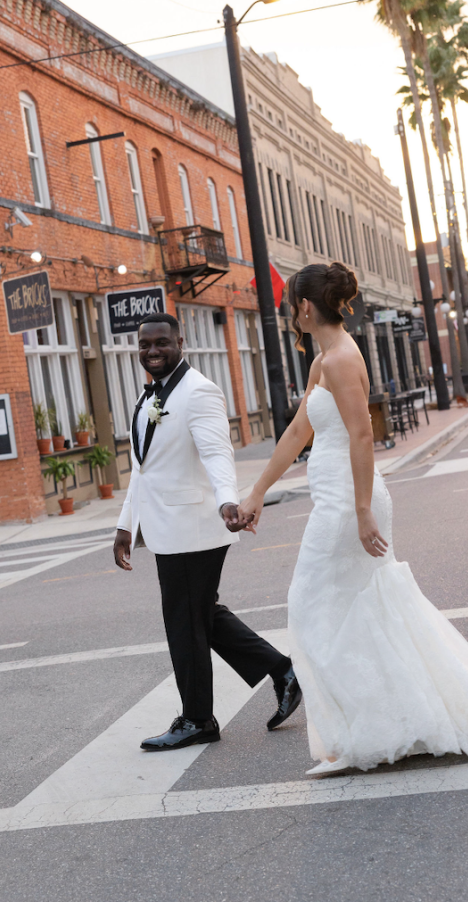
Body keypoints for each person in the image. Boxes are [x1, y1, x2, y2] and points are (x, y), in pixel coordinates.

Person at [239, 263, 468, 775]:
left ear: (304, 306)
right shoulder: (324, 361)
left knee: (309, 606)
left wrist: (364, 512)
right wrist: (256, 490)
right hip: (335, 498)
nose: (287, 315)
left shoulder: (343, 358)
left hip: (349, 503)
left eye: (289, 307)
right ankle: (386, 723)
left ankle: (366, 729)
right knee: (363, 610)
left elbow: (362, 436)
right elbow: (300, 429)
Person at [113, 313, 302, 751]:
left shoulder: (199, 392)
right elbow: (142, 468)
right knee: (201, 616)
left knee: (184, 623)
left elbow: (218, 453)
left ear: (180, 342)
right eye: (145, 346)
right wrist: (126, 525)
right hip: (166, 528)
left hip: (196, 526)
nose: (153, 351)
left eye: (162, 343)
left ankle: (198, 719)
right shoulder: (148, 398)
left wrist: (227, 501)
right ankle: (283, 671)